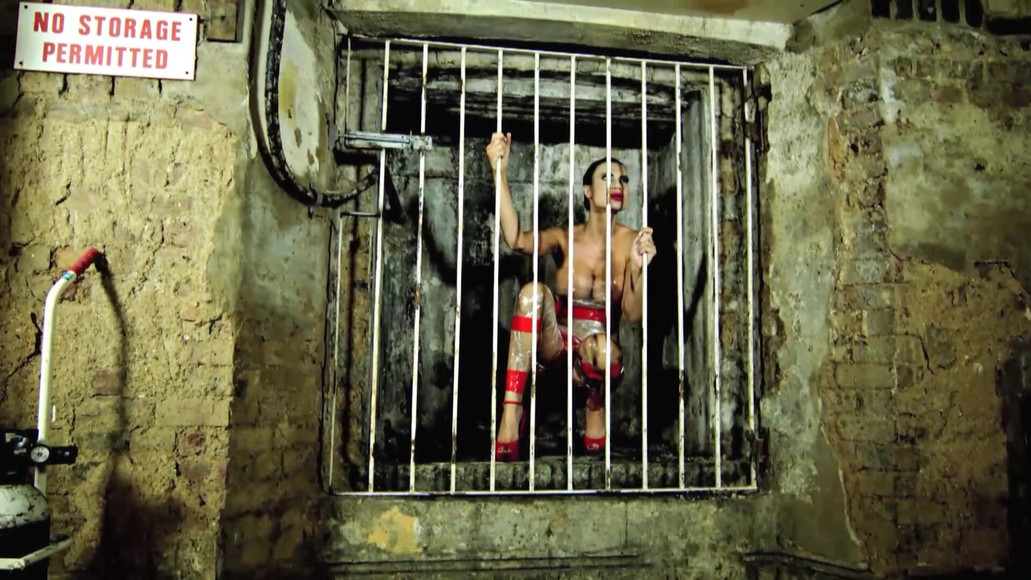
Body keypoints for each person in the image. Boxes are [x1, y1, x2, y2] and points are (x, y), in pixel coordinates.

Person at [486, 132, 657, 462]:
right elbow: (516, 239)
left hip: (598, 353)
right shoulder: (565, 237)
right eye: (607, 177)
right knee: (532, 292)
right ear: (588, 191)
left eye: (623, 179)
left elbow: (632, 315)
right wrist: (500, 173)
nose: (618, 184)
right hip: (557, 345)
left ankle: (595, 406)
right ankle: (511, 413)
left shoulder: (634, 241)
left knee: (604, 347)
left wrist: (638, 269)